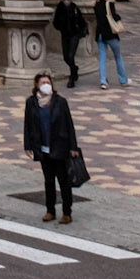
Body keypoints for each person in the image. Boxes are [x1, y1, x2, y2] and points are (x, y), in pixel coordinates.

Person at [22, 71, 81, 224]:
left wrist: (72, 146)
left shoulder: (60, 102)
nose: (46, 85)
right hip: (42, 148)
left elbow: (69, 124)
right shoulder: (31, 103)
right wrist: (28, 145)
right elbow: (28, 125)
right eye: (43, 83)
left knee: (63, 181)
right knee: (48, 181)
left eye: (48, 82)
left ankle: (67, 212)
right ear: (37, 85)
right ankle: (50, 210)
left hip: (60, 146)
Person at [93, 0, 129, 88]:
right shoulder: (110, 3)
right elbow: (114, 16)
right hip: (110, 34)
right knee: (118, 56)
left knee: (102, 58)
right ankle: (123, 79)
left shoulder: (96, 5)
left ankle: (103, 81)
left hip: (100, 34)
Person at [51, 0, 87, 86]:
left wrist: (81, 31)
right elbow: (55, 21)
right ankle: (74, 68)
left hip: (74, 35)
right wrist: (60, 27)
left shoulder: (74, 8)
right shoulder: (60, 8)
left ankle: (71, 79)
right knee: (66, 57)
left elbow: (81, 21)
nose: (66, 0)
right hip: (65, 35)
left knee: (71, 55)